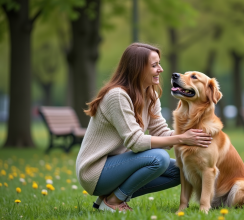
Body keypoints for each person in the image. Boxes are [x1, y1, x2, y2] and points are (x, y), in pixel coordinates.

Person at [76, 43, 212, 212]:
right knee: (159, 158)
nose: (160, 69)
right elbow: (136, 142)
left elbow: (161, 132)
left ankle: (110, 197)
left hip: (118, 166)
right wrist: (182, 138)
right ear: (137, 69)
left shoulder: (150, 94)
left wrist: (196, 134)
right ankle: (113, 202)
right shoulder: (117, 96)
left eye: (159, 64)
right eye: (154, 66)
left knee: (182, 171)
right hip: (95, 172)